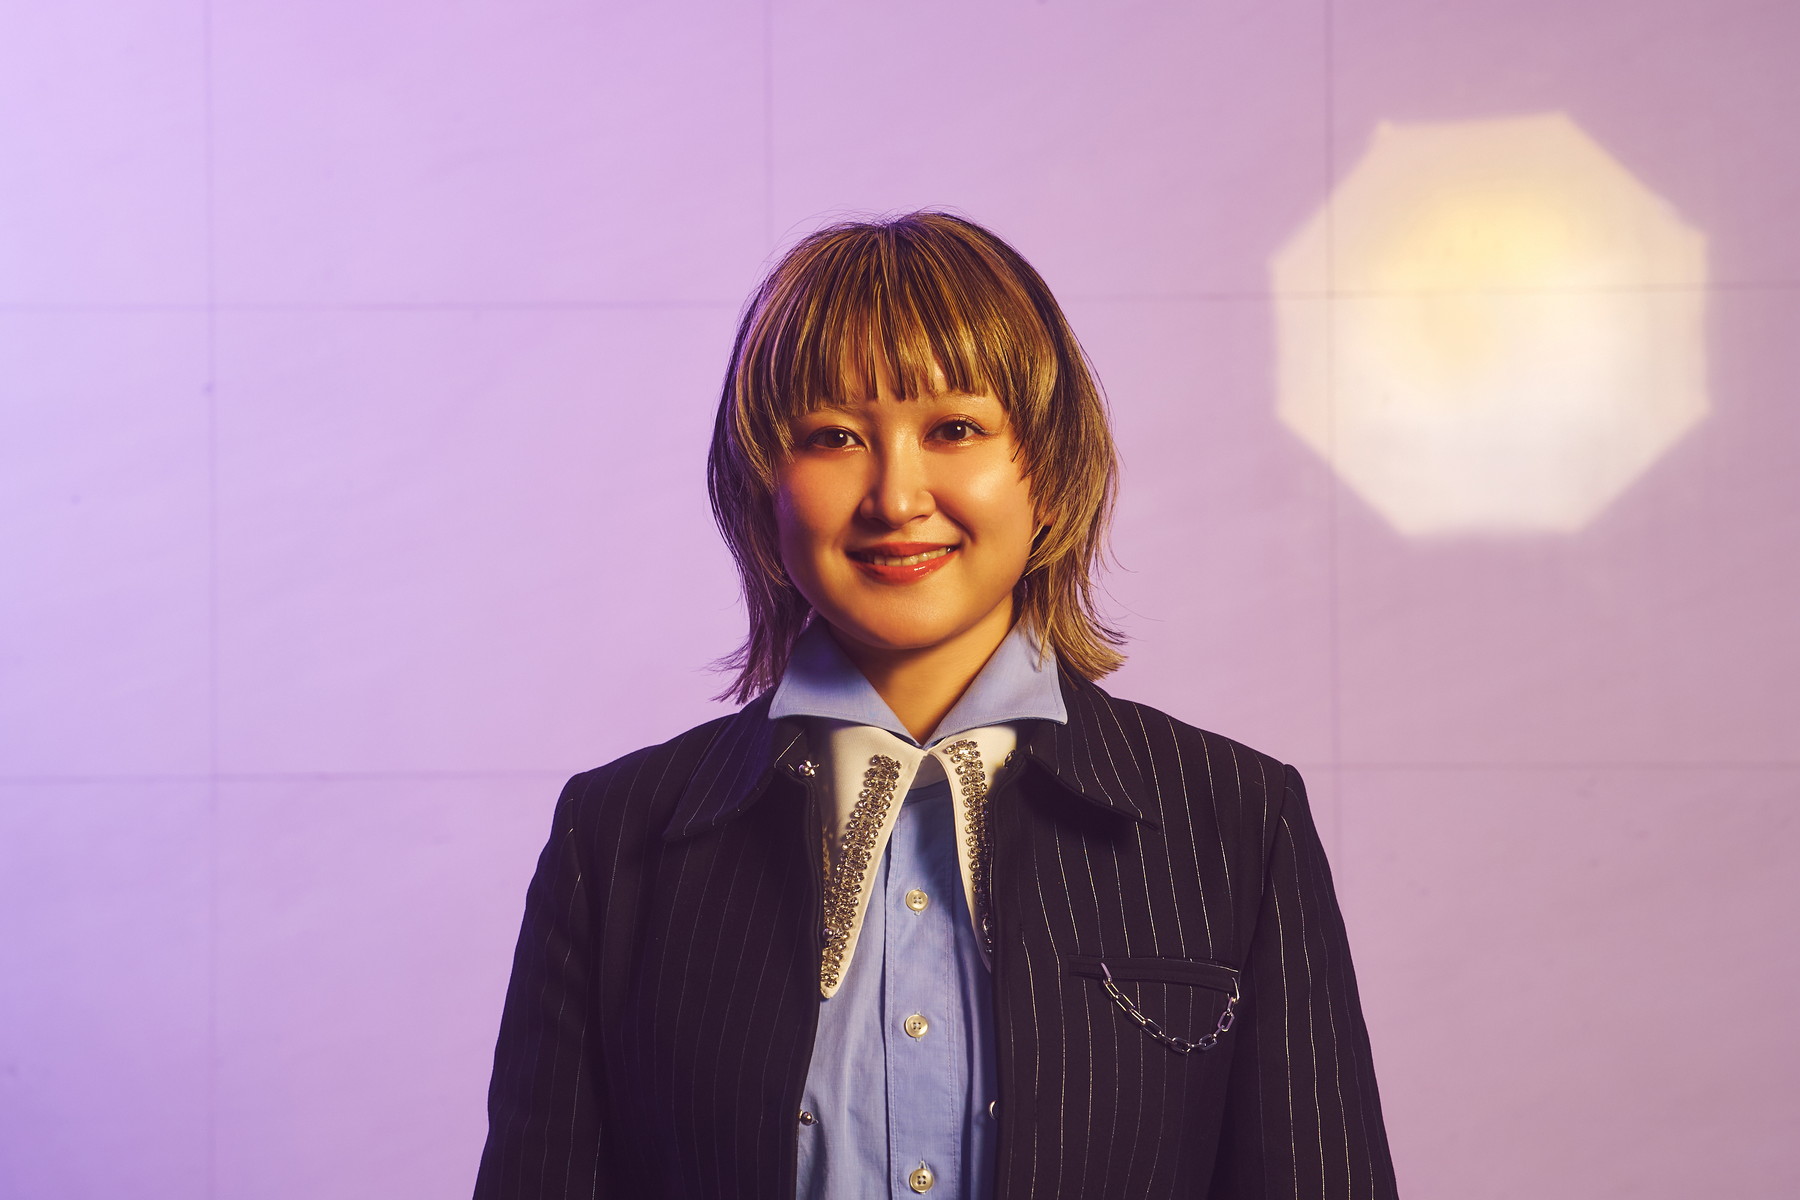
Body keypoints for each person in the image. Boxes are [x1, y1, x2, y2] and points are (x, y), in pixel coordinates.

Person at [473, 211, 1398, 1200]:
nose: (896, 497)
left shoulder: (1236, 820)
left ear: (1050, 470)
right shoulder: (616, 836)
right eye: (833, 437)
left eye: (955, 429)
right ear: (761, 488)